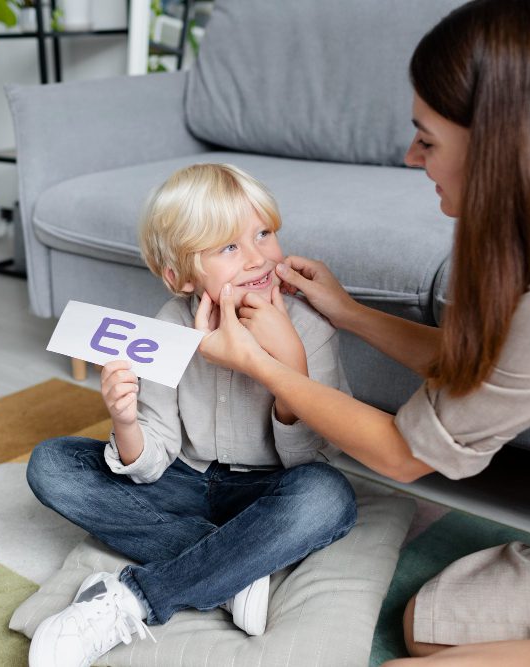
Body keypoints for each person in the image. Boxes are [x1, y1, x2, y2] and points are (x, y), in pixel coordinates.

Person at [193, 1, 530, 665]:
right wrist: (348, 310)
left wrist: (265, 367)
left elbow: (402, 453)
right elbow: (492, 368)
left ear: (503, 145)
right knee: (430, 622)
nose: (412, 156)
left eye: (429, 138)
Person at [26, 163, 357, 667]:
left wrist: (287, 363)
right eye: (228, 247)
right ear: (179, 277)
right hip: (185, 479)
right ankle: (233, 569)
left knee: (327, 496)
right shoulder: (167, 326)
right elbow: (154, 457)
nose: (256, 257)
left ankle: (138, 596)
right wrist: (125, 422)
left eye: (263, 234)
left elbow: (310, 457)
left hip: (269, 490)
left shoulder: (308, 327)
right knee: (51, 464)